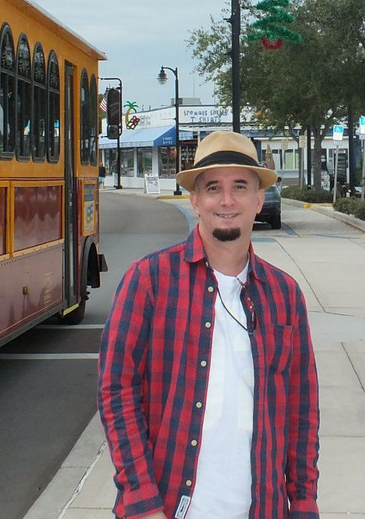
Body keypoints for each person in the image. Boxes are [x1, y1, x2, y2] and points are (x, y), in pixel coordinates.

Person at [98, 130, 320, 519]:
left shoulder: (285, 295)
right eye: (213, 187)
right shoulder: (149, 281)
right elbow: (116, 392)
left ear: (257, 199)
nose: (227, 200)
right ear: (195, 200)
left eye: (240, 186)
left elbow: (302, 412)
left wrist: (303, 502)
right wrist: (142, 501)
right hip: (168, 508)